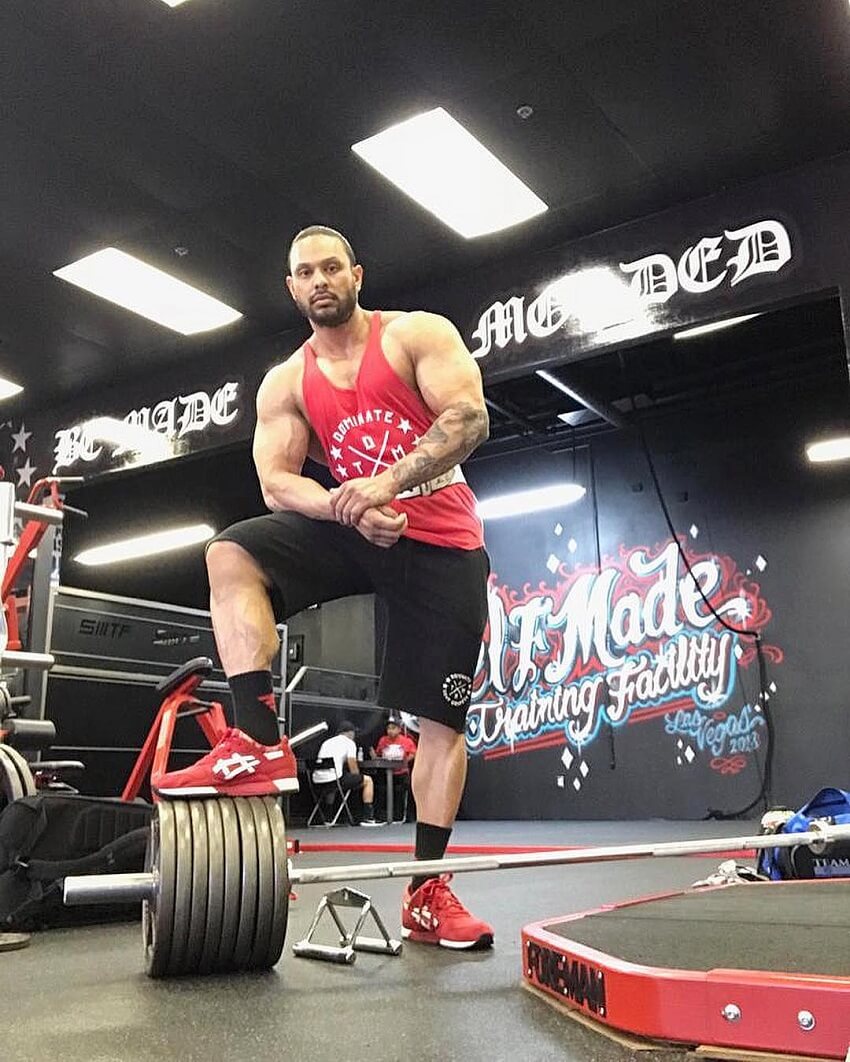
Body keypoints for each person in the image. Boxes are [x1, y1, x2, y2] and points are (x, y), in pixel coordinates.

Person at [154, 225, 493, 950]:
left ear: (357, 274)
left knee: (443, 723)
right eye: (305, 271)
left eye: (332, 267)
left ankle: (427, 890)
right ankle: (256, 740)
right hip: (354, 526)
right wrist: (346, 505)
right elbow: (276, 482)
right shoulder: (287, 380)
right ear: (291, 288)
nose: (320, 280)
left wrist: (384, 485)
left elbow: (469, 418)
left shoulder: (413, 336)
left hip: (441, 538)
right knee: (231, 554)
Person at [313, 720, 379, 826]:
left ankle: (328, 817)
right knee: (368, 780)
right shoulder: (349, 743)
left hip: (318, 780)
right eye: (353, 733)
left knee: (332, 785)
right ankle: (368, 817)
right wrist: (358, 777)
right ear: (350, 733)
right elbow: (352, 764)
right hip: (335, 780)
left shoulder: (327, 742)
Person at [369, 717, 417, 823]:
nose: (390, 731)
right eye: (388, 728)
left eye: (393, 728)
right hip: (386, 773)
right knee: (380, 790)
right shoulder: (383, 740)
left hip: (401, 773)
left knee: (401, 792)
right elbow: (378, 754)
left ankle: (400, 816)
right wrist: (374, 755)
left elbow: (413, 753)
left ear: (399, 729)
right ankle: (381, 816)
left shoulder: (407, 740)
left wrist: (405, 761)